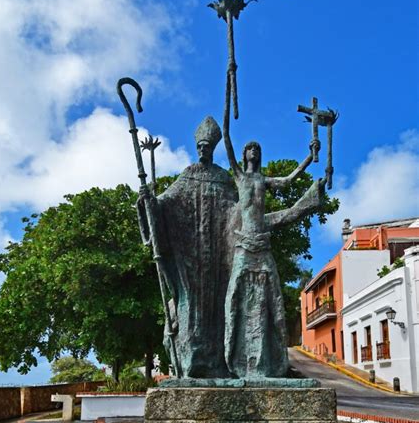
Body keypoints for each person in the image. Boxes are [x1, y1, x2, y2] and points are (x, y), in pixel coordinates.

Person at [137, 116, 238, 379]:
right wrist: (150, 203)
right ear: (196, 148)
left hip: (218, 259)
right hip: (191, 258)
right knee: (190, 305)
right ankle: (192, 361)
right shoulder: (188, 175)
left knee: (220, 306)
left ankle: (219, 362)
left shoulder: (223, 178)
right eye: (200, 146)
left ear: (213, 147)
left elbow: (235, 214)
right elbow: (168, 202)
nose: (204, 150)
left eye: (207, 146)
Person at [223, 131, 327, 379]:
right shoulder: (239, 176)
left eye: (257, 149)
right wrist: (229, 94)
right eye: (250, 149)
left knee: (275, 299)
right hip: (243, 244)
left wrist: (310, 157)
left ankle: (277, 360)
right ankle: (230, 355)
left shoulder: (263, 180)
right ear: (244, 154)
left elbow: (289, 180)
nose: (254, 152)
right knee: (233, 295)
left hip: (262, 245)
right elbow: (227, 140)